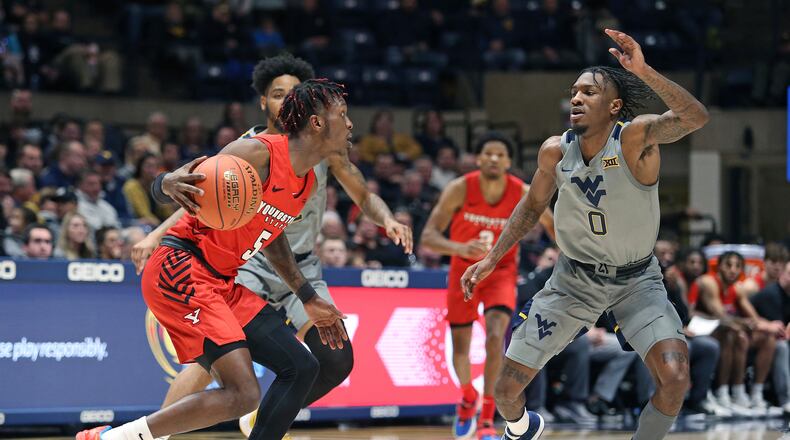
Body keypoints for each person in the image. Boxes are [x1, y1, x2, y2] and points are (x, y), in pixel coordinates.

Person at [131, 53, 412, 437]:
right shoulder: (250, 152)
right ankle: (152, 435)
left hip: (297, 265)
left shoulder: (323, 159)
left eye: (293, 93)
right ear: (265, 101)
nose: (286, 100)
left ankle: (260, 417)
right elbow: (194, 194)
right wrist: (157, 217)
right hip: (242, 264)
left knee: (330, 360)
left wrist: (388, 220)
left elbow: (362, 195)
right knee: (213, 362)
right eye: (278, 94)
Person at [462, 29, 710, 440]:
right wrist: (491, 259)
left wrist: (644, 72)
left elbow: (695, 117)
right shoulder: (554, 151)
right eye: (573, 91)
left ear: (614, 106)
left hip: (637, 282)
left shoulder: (634, 138)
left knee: (675, 378)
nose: (576, 98)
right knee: (505, 392)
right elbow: (530, 208)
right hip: (573, 281)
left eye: (588, 93)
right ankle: (523, 430)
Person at [77, 78, 352, 440]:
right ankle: (114, 439)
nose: (349, 125)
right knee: (243, 393)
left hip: (221, 282)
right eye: (343, 115)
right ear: (317, 123)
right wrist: (163, 183)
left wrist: (307, 296)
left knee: (302, 366)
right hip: (181, 268)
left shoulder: (307, 184)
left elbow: (271, 235)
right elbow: (180, 184)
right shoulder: (257, 153)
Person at [421, 132, 554, 440]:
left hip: (501, 271)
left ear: (508, 161)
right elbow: (428, 237)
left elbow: (552, 224)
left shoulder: (521, 191)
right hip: (463, 271)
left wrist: (576, 251)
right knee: (462, 345)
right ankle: (468, 397)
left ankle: (487, 418)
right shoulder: (459, 189)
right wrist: (459, 248)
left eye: (500, 154)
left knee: (496, 337)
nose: (494, 158)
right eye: (488, 153)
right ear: (478, 158)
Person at [691, 251, 782, 414]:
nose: (733, 270)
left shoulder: (736, 288)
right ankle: (722, 392)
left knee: (767, 339)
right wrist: (747, 323)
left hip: (725, 331)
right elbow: (721, 316)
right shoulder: (708, 282)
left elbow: (753, 318)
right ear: (719, 267)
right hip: (697, 331)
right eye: (728, 265)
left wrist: (769, 326)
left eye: (737, 266)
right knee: (734, 334)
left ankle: (753, 394)